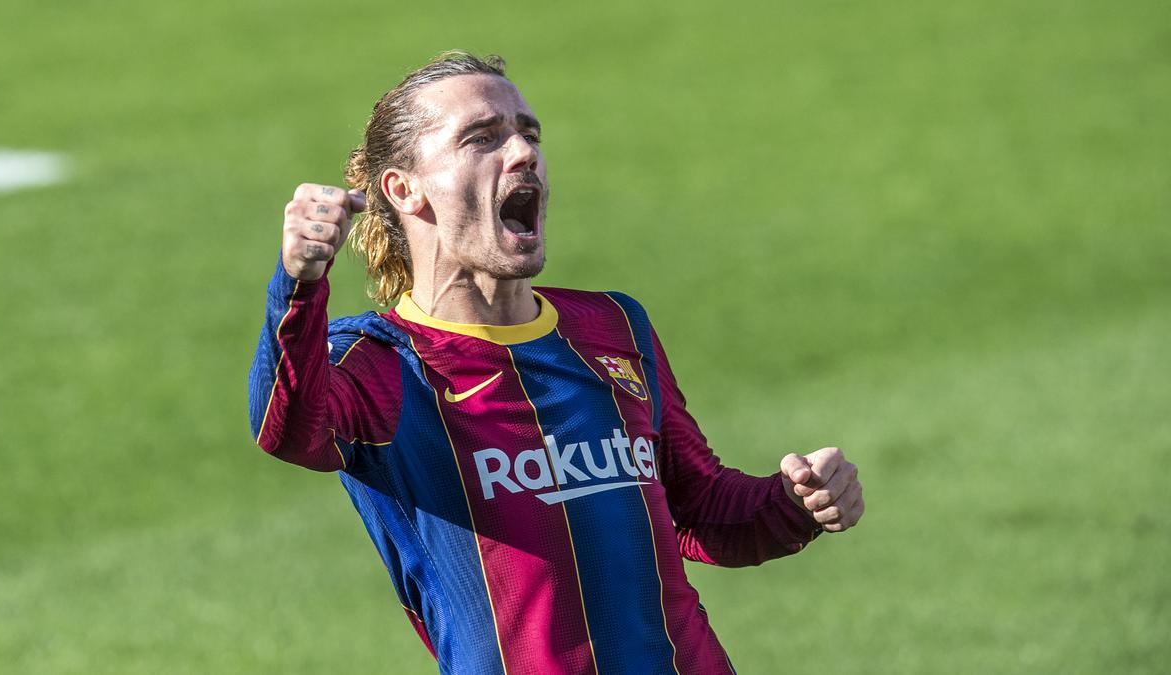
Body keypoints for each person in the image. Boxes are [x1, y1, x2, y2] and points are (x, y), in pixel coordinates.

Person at [248, 51, 863, 674]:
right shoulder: (379, 364)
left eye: (528, 133)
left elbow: (698, 509)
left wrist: (792, 504)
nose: (522, 153)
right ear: (404, 189)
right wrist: (298, 284)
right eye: (482, 138)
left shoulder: (613, 327)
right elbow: (287, 429)